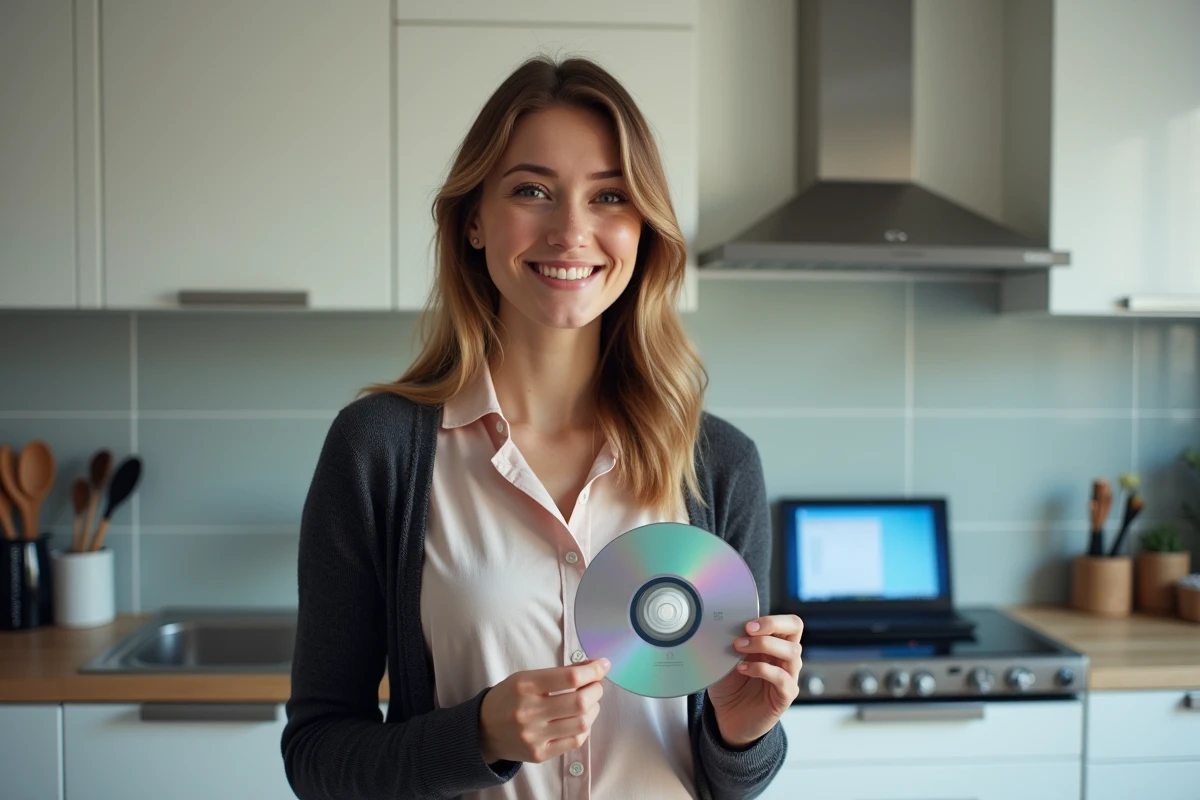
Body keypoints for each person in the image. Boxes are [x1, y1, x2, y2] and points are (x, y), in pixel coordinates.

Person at [281, 55, 801, 800]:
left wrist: (743, 734)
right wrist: (477, 737)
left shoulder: (718, 463)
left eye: (609, 196)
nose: (571, 231)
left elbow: (729, 778)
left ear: (643, 230)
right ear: (473, 221)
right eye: (532, 191)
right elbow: (318, 755)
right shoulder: (378, 451)